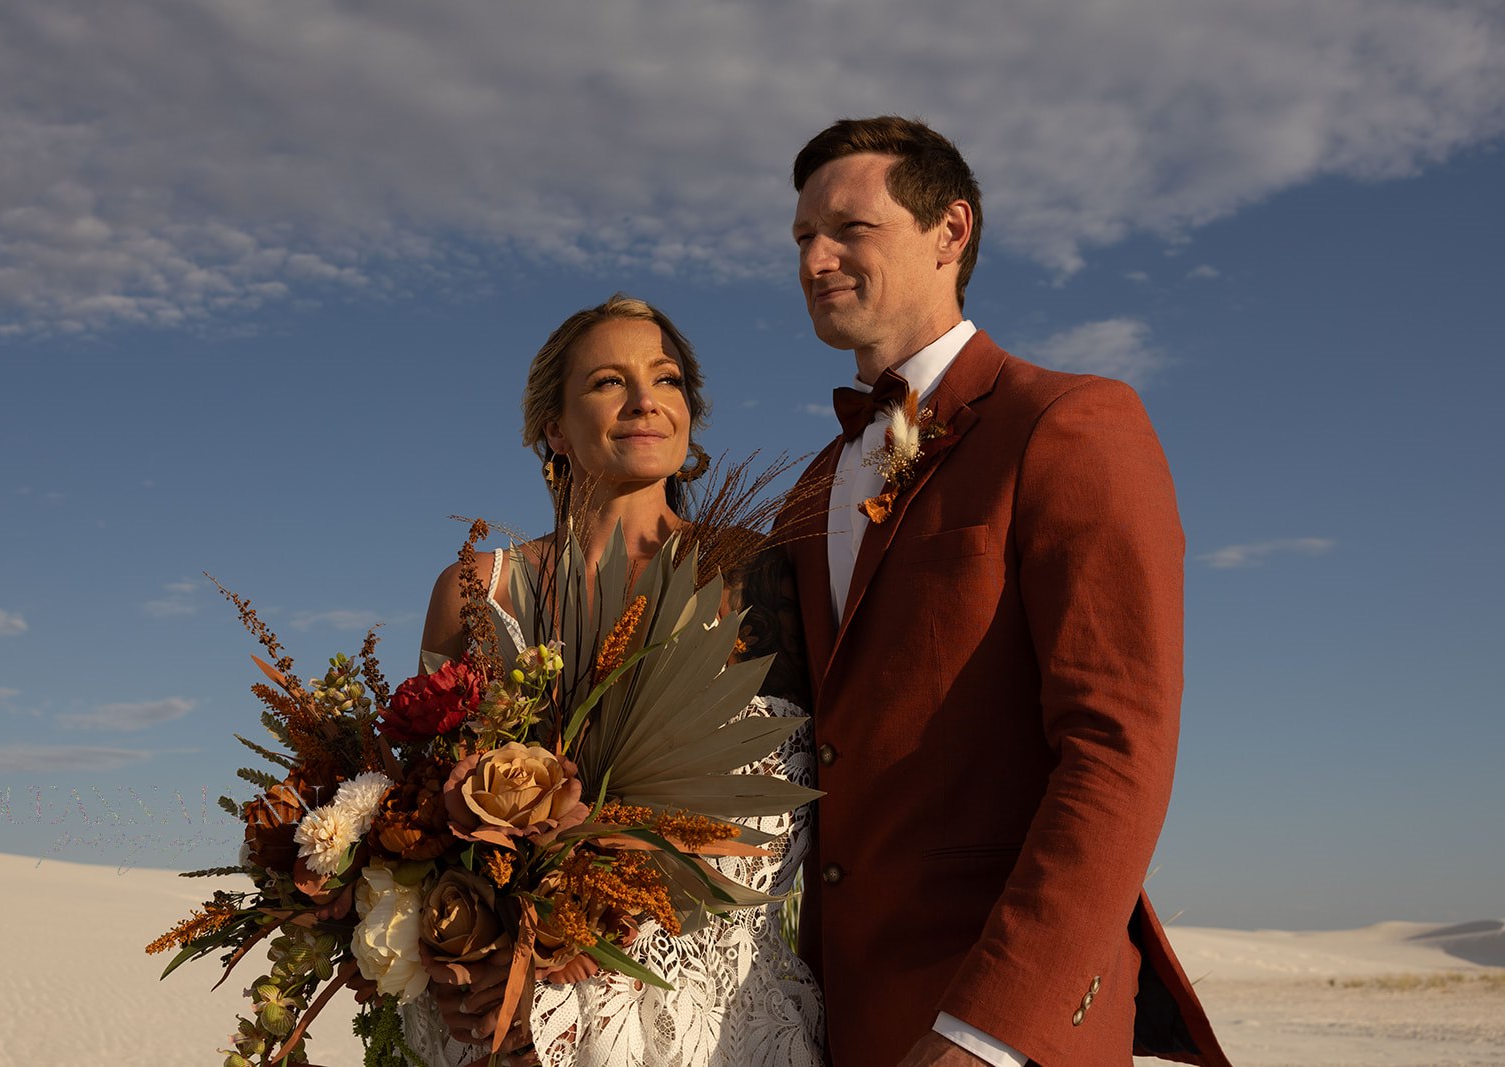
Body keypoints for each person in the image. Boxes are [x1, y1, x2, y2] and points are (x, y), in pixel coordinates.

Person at [776, 116, 1232, 1067]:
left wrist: (991, 1030)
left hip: (995, 1022)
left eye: (849, 229)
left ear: (952, 230)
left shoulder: (1068, 422)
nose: (816, 258)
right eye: (802, 237)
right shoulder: (810, 489)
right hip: (830, 1019)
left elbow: (1117, 747)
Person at [401, 294, 826, 1067]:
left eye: (665, 380)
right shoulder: (475, 592)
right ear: (554, 428)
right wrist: (474, 964)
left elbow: (806, 808)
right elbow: (425, 830)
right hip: (515, 1029)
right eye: (607, 381)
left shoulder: (759, 577)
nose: (644, 401)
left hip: (724, 1028)